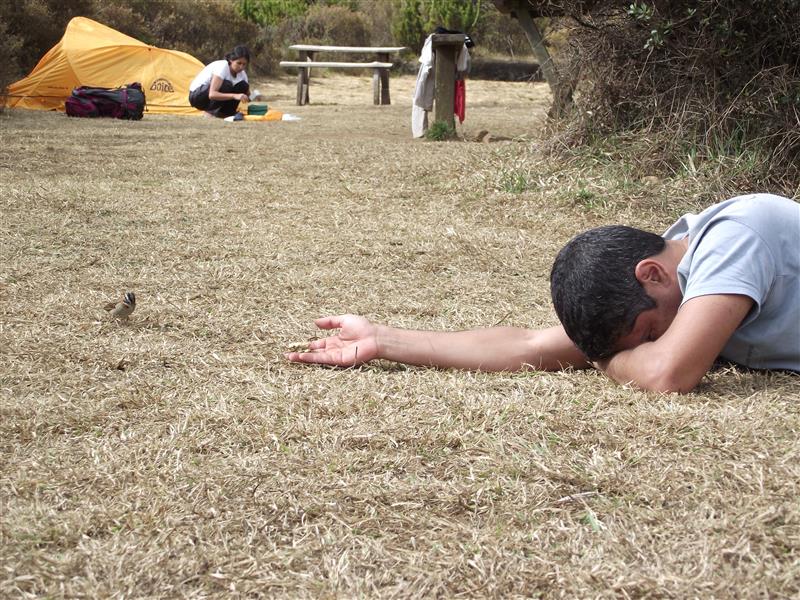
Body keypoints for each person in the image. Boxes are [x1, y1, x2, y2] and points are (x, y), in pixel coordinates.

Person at [286, 193, 799, 393]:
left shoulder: (736, 236)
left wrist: (614, 360)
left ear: (652, 274)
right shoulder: (667, 278)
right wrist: (384, 338)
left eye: (646, 332)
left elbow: (668, 373)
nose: (653, 341)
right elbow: (533, 346)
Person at [189, 45, 251, 118]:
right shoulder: (223, 66)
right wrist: (235, 96)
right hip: (197, 97)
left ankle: (226, 113)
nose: (241, 67)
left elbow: (247, 93)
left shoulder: (242, 74)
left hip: (210, 96)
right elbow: (212, 94)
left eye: (244, 64)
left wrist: (247, 99)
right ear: (231, 60)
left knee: (243, 85)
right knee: (226, 85)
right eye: (239, 63)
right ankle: (209, 113)